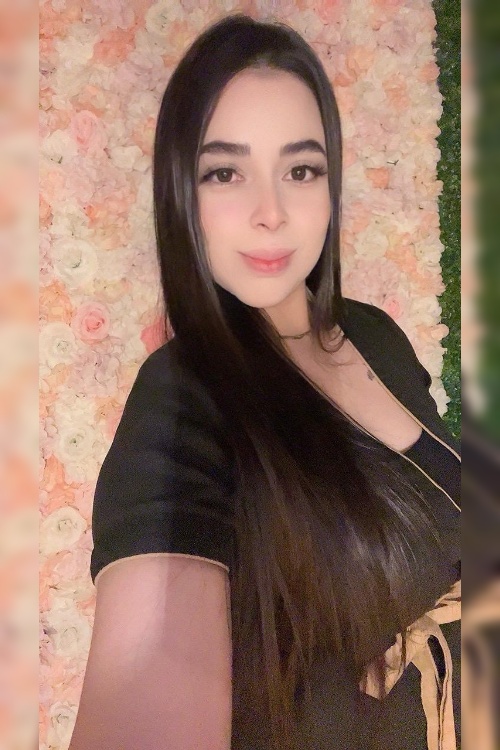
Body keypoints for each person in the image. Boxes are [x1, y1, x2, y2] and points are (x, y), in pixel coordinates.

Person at [68, 13, 461, 750]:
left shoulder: (375, 334)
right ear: (181, 194)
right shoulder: (181, 398)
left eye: (300, 170)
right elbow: (151, 674)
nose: (270, 214)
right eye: (225, 172)